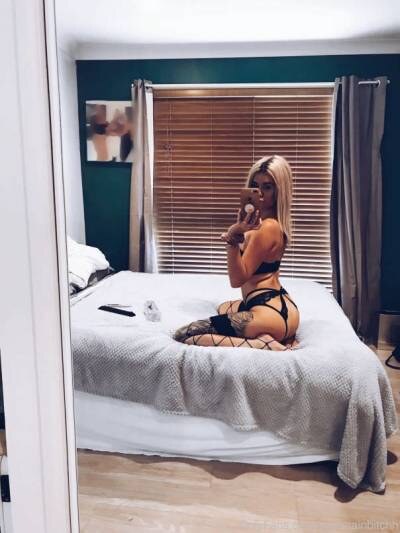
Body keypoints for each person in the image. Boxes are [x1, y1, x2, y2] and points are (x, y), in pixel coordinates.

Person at [173, 155, 300, 351]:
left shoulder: (266, 228)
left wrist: (233, 238)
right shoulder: (269, 224)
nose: (260, 194)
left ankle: (263, 344)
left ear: (279, 191)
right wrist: (240, 231)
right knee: (223, 307)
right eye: (255, 186)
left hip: (271, 312)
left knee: (185, 334)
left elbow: (237, 280)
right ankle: (280, 335)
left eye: (267, 187)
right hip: (280, 306)